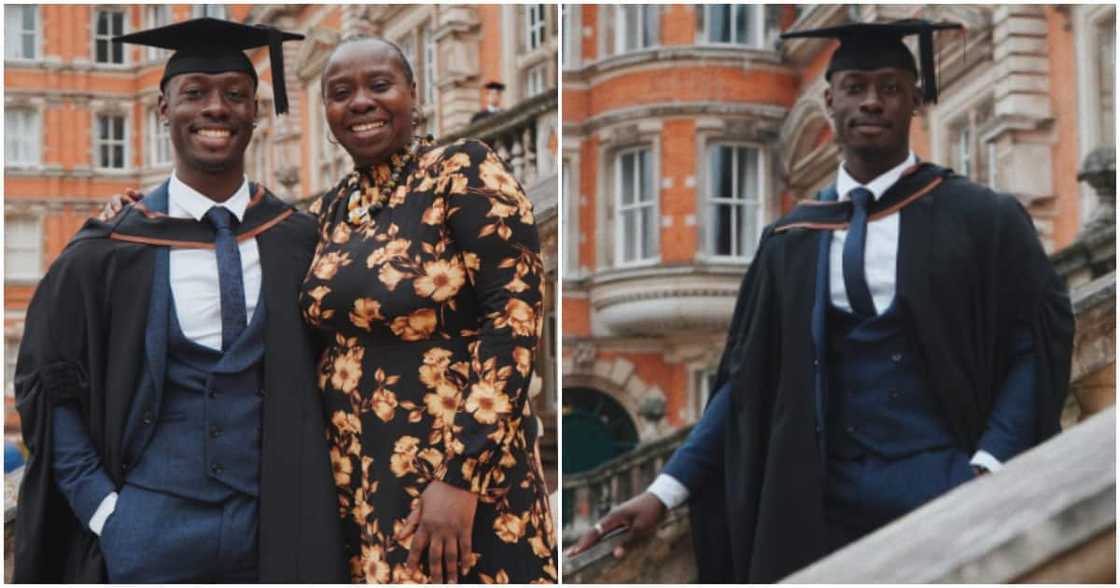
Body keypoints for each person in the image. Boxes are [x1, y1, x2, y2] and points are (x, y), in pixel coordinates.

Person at [569, 19, 1074, 583]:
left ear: (915, 100)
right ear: (828, 100)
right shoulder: (793, 240)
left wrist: (989, 466)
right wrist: (664, 492)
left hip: (947, 486)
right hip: (818, 509)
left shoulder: (983, 219)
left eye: (889, 87)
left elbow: (1035, 347)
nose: (872, 102)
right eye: (855, 87)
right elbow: (743, 384)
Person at [13, 18, 347, 583]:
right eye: (195, 93)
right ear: (163, 108)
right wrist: (106, 512)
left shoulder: (298, 238)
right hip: (149, 534)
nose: (216, 109)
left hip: (278, 531)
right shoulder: (111, 249)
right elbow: (50, 387)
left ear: (255, 111)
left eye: (235, 95)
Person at [302, 37, 556, 584]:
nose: (361, 102)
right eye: (340, 92)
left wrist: (461, 477)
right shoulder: (328, 211)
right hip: (360, 483)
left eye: (380, 85)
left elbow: (514, 322)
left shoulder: (461, 170)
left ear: (413, 95)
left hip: (457, 477)